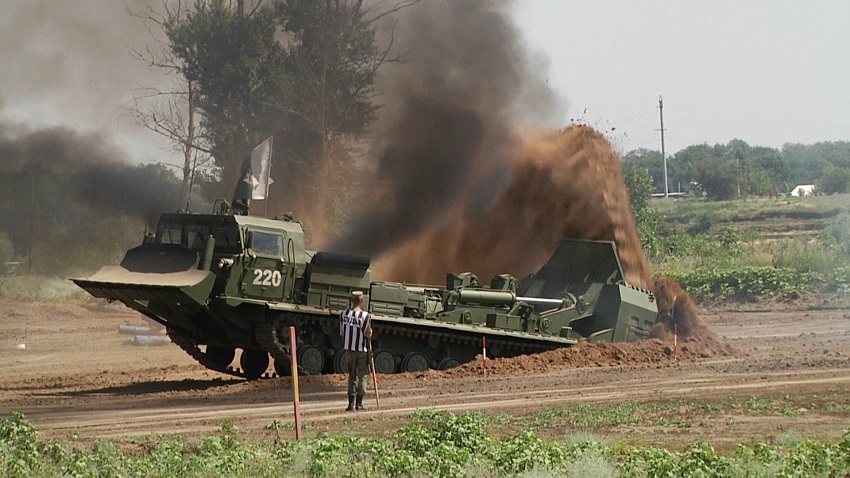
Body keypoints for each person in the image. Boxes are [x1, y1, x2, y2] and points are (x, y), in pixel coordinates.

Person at [340, 290, 372, 411]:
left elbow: (342, 332)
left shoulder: (343, 314)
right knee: (362, 376)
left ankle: (350, 404)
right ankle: (359, 404)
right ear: (362, 301)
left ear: (352, 300)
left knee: (352, 376)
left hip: (349, 350)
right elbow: (368, 334)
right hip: (362, 350)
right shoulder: (365, 316)